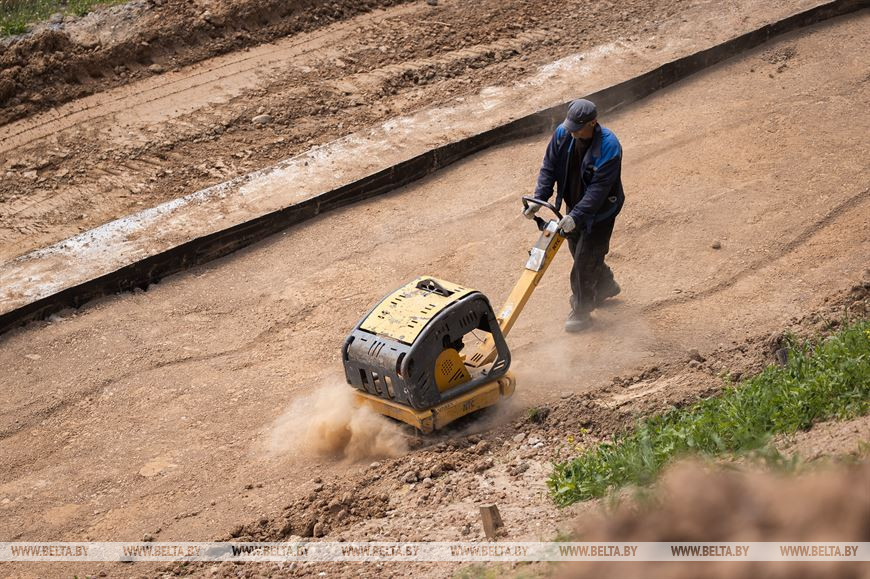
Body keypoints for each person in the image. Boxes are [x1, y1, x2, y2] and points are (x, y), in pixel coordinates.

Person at [524, 98, 624, 332]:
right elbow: (549, 167)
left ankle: (581, 312)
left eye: (577, 128)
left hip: (599, 214)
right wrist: (539, 199)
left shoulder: (609, 147)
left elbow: (598, 192)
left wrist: (576, 216)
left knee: (583, 263)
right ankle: (606, 284)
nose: (572, 132)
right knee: (579, 251)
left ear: (593, 123)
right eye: (570, 126)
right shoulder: (563, 133)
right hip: (574, 208)